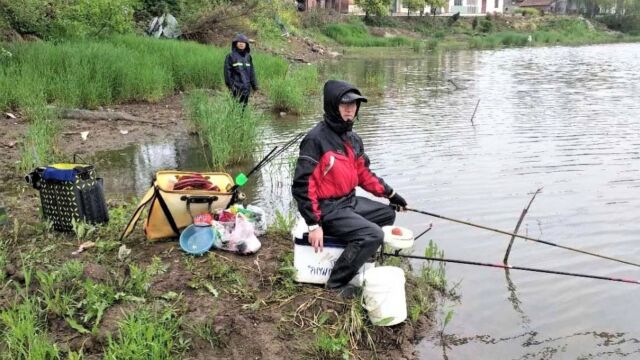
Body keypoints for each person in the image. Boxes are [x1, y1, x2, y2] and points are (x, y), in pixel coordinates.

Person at [291, 80, 408, 295]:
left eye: (354, 105)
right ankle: (335, 285)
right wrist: (314, 224)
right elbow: (302, 185)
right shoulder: (315, 140)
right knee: (373, 235)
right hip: (328, 209)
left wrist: (391, 194)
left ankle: (359, 258)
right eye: (344, 104)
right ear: (332, 106)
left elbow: (364, 174)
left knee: (386, 215)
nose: (350, 109)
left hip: (349, 201)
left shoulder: (353, 139)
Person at [224, 34, 258, 106]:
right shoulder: (230, 56)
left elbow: (252, 73)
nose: (241, 44)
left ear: (246, 44)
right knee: (235, 109)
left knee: (243, 109)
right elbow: (227, 74)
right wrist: (231, 88)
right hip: (236, 89)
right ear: (235, 43)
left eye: (243, 42)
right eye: (239, 42)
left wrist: (255, 86)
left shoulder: (248, 57)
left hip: (246, 89)